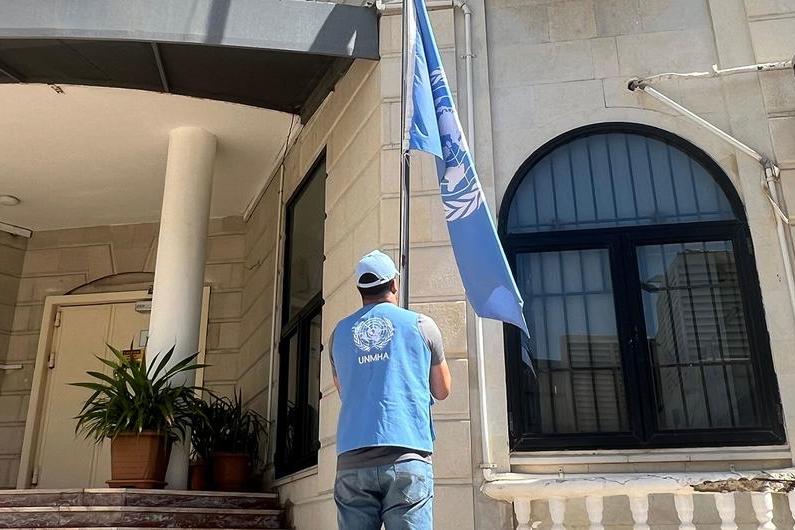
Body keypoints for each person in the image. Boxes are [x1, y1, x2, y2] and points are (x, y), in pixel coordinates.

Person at [330, 250, 452, 529]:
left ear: (360, 289)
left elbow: (343, 390)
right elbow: (442, 389)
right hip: (407, 455)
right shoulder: (422, 325)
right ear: (394, 284)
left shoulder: (338, 334)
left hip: (352, 458)